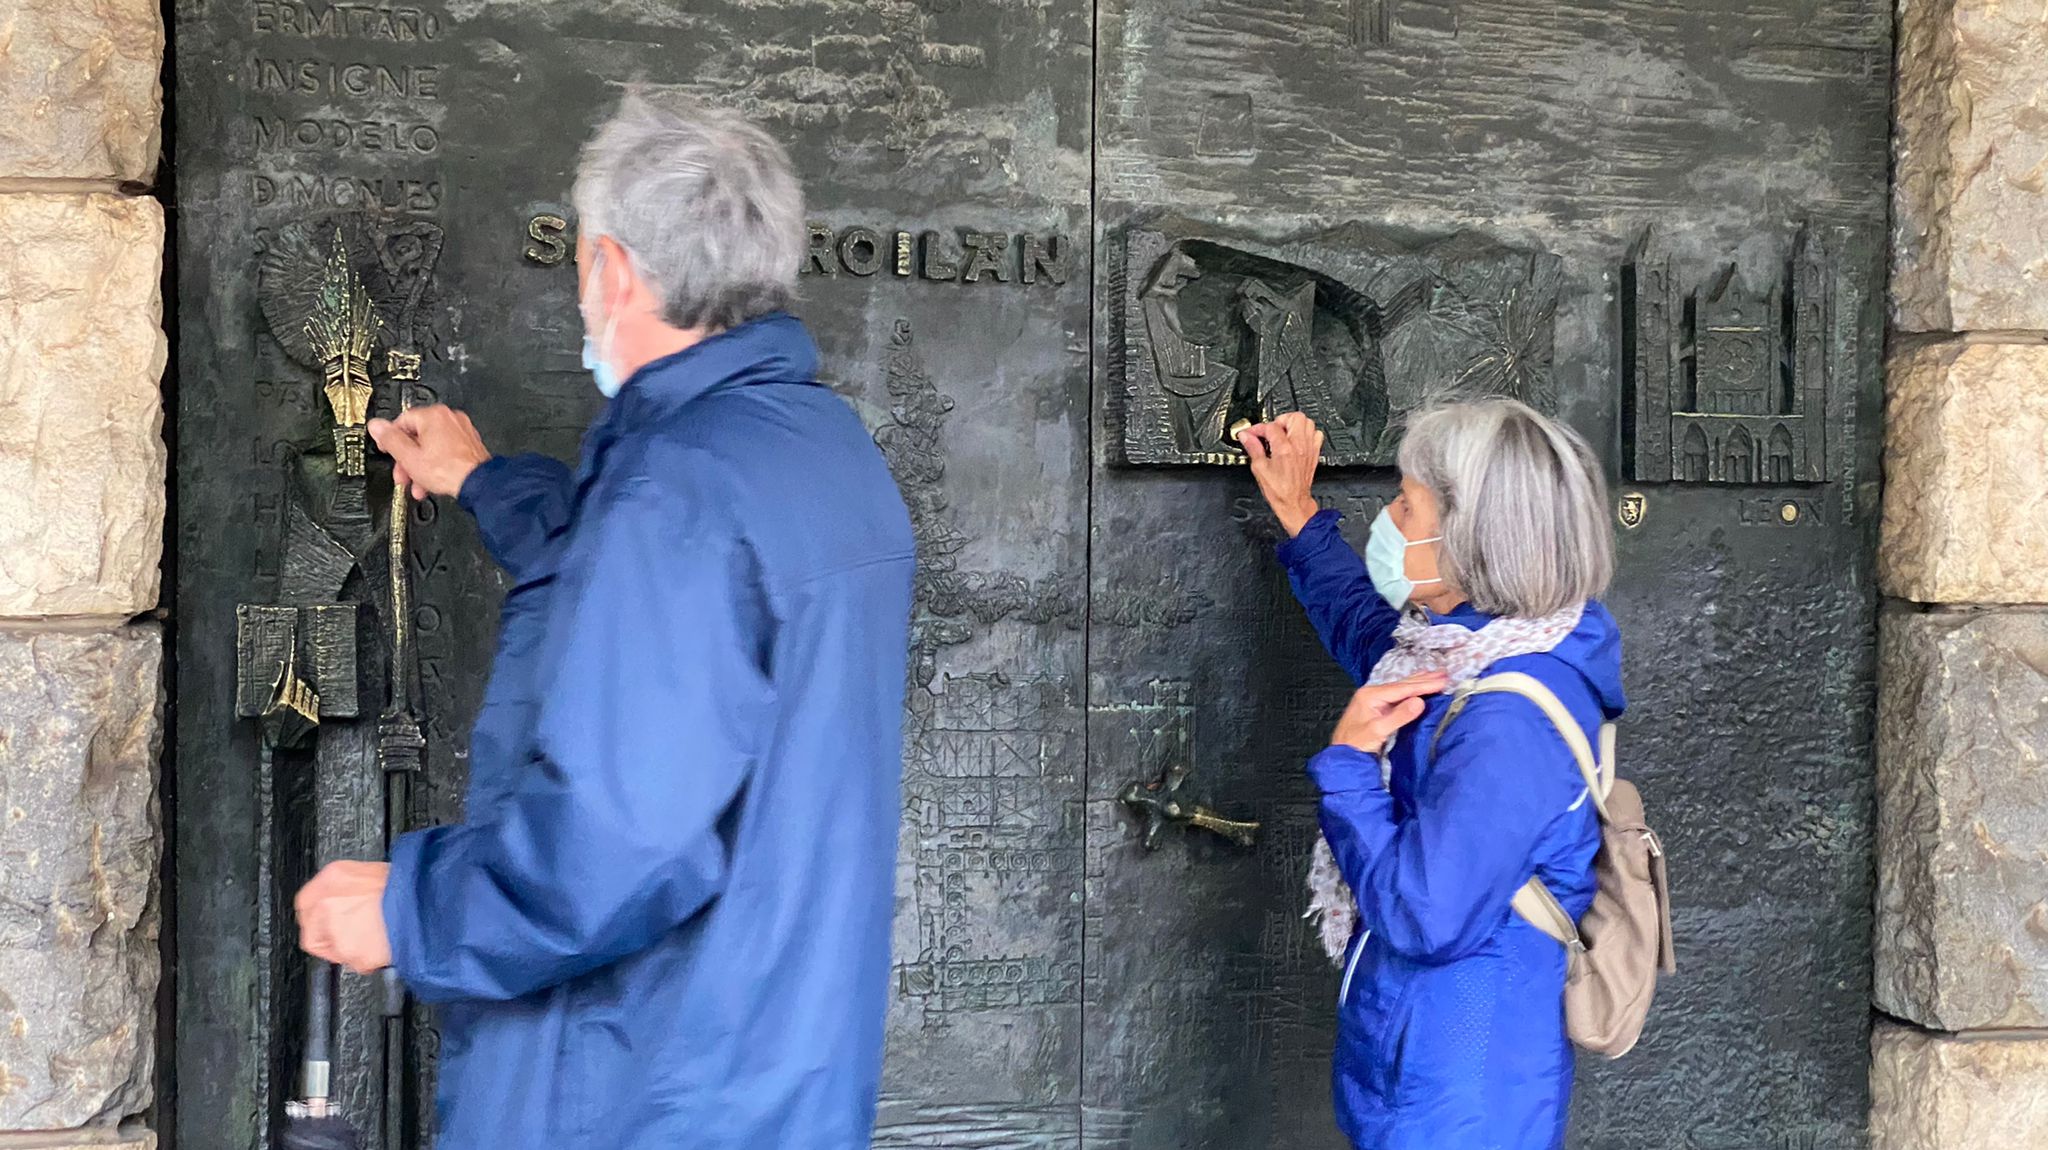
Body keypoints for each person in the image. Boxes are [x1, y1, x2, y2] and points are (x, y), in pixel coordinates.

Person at [292, 90, 916, 1149]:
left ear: (611, 271)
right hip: (765, 1071)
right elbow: (657, 611)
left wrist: (411, 910)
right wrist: (488, 482)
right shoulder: (817, 449)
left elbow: (615, 840)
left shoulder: (672, 496)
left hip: (638, 1088)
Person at [1237, 402, 1623, 1150]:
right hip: (1428, 1064)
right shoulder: (1469, 652)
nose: (1389, 516)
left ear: (1471, 537)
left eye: (1406, 503)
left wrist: (1349, 768)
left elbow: (1425, 913)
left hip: (1462, 1091)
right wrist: (1300, 514)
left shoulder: (1509, 721)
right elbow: (1375, 640)